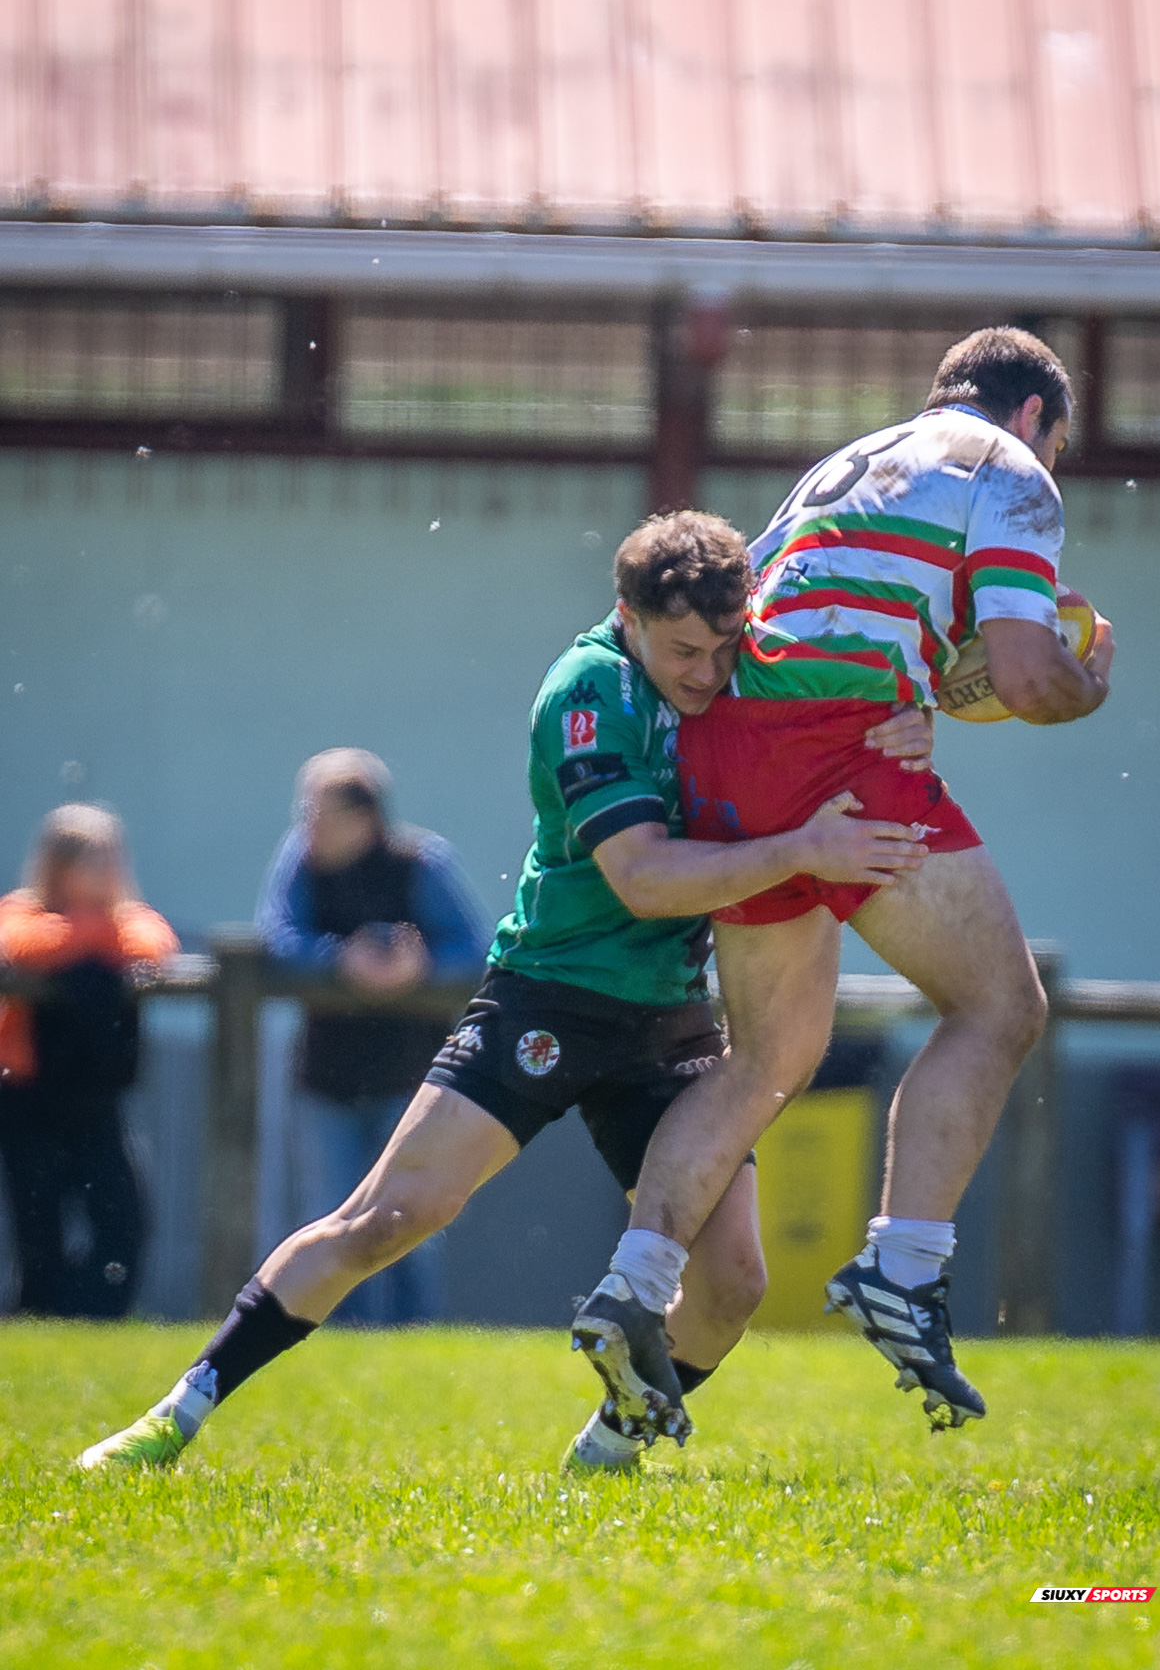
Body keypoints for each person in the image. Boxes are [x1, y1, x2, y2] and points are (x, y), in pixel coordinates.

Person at [79, 511, 931, 1473]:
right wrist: (805, 850)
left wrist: (903, 719)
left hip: (673, 1019)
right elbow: (644, 878)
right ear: (629, 616)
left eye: (725, 648)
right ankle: (175, 1416)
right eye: (685, 650)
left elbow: (841, 695)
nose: (708, 673)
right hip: (551, 998)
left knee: (734, 1281)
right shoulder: (586, 691)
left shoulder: (738, 666)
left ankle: (603, 1458)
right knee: (389, 1219)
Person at [573, 327, 1116, 1436]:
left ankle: (631, 1286)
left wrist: (910, 686)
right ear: (1033, 418)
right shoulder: (1009, 473)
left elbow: (790, 618)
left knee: (769, 1059)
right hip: (834, 748)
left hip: (730, 745)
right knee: (1000, 1007)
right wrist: (1084, 684)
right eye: (1057, 446)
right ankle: (902, 1266)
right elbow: (1022, 673)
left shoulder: (854, 460)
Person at [258, 749, 492, 1326]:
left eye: (318, 812)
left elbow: (475, 951)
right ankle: (338, 1339)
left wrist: (419, 971)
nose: (306, 824)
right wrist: (343, 962)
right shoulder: (301, 860)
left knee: (408, 1220)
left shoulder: (422, 863)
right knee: (332, 1217)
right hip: (326, 1076)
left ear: (364, 817)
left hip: (415, 1079)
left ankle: (413, 1341)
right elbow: (276, 940)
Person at [0, 806, 178, 1318]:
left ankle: (90, 1314)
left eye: (111, 860)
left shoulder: (129, 922)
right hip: (28, 1100)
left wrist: (91, 935)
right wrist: (93, 934)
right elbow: (22, 944)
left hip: (96, 1102)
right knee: (39, 1231)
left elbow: (155, 943)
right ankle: (38, 1318)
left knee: (123, 1221)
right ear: (58, 867)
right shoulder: (22, 912)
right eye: (92, 862)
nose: (107, 873)